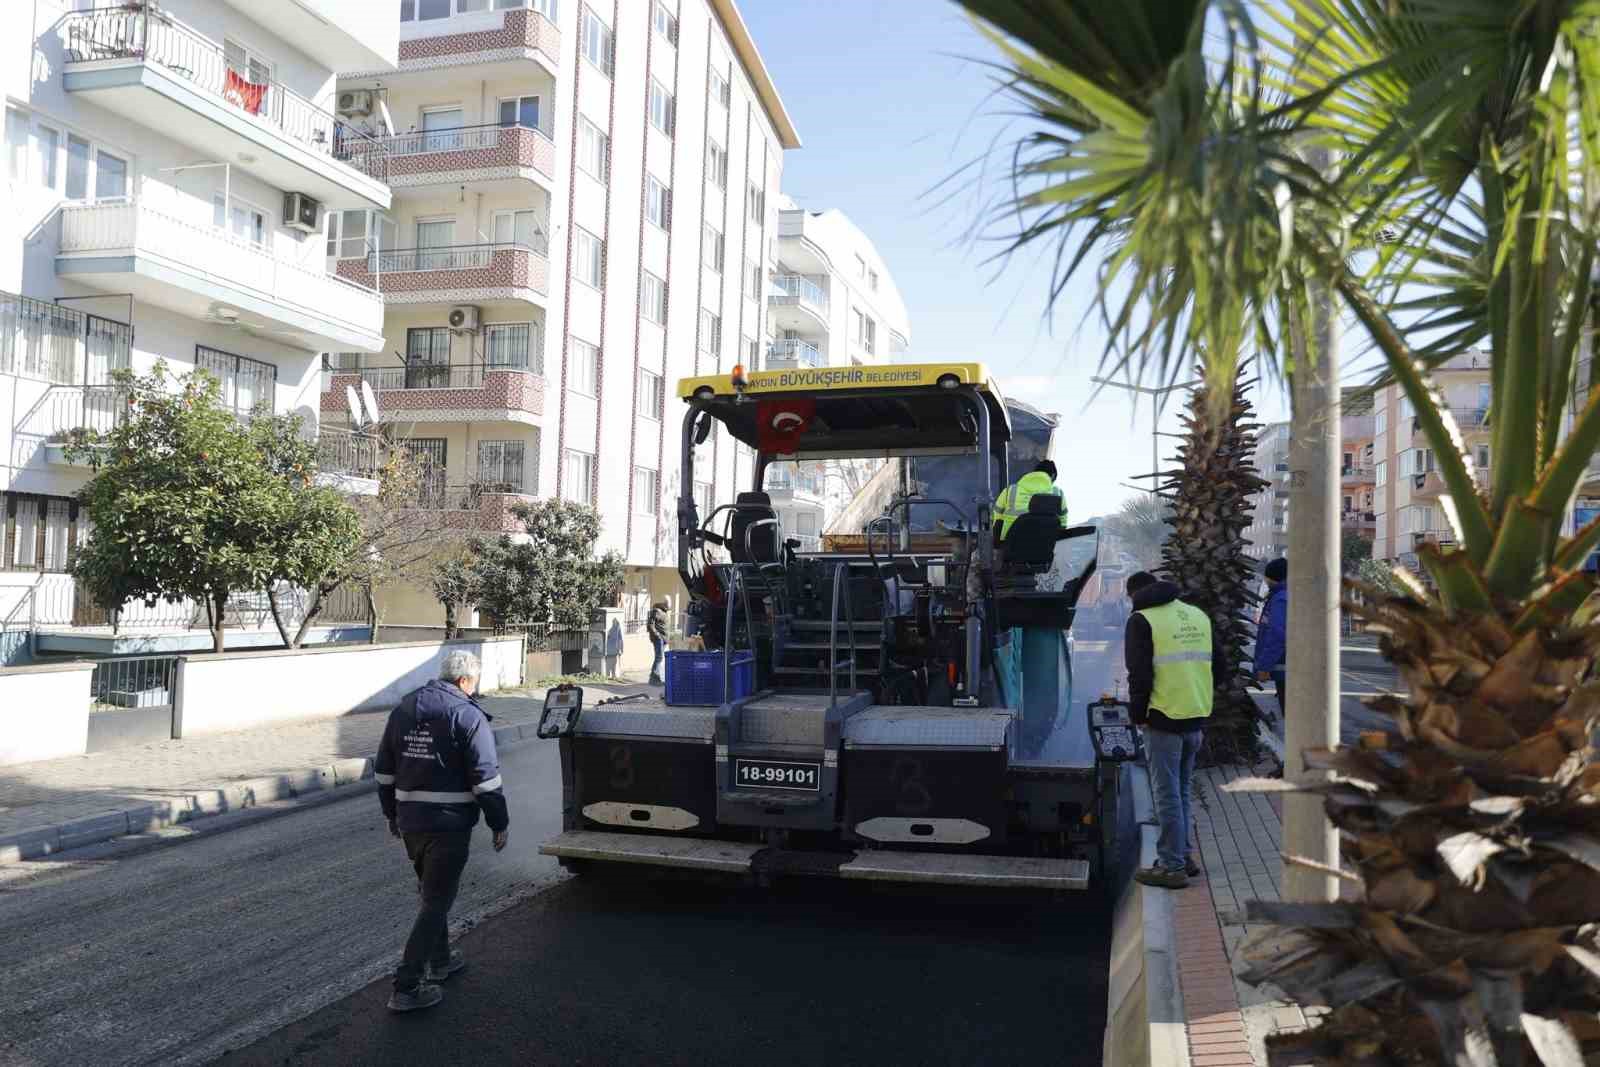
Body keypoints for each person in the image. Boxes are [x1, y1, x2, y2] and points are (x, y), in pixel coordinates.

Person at [375, 650, 509, 1013]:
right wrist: (499, 822)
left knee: (433, 893)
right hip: (449, 825)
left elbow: (384, 772)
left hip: (411, 823)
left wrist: (391, 813)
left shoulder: (403, 710)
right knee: (436, 901)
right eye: (474, 683)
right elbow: (486, 780)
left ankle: (441, 961)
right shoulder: (467, 715)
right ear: (466, 681)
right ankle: (406, 986)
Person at [1124, 571, 1223, 889]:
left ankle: (1172, 866)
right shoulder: (1197, 615)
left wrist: (1137, 715)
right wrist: (1197, 695)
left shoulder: (1142, 620)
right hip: (1195, 715)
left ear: (1135, 594)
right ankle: (1183, 855)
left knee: (1166, 796)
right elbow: (1219, 666)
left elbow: (1139, 676)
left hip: (1162, 717)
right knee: (1180, 792)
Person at [993, 459, 1069, 539]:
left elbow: (996, 516)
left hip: (1010, 544)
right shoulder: (1058, 493)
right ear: (1053, 476)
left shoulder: (1010, 490)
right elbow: (1063, 522)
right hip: (1044, 545)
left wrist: (998, 542)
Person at [1254, 557, 1288, 720]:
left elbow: (1276, 635)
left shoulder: (1281, 598)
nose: (1265, 580)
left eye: (1266, 577)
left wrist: (1264, 666)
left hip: (1285, 668)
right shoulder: (1282, 595)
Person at [647, 599, 669, 686]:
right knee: (659, 658)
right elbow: (650, 625)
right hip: (659, 639)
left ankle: (656, 677)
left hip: (663, 639)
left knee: (659, 658)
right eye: (668, 605)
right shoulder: (657, 611)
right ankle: (653, 679)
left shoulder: (664, 612)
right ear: (664, 604)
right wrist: (657, 636)